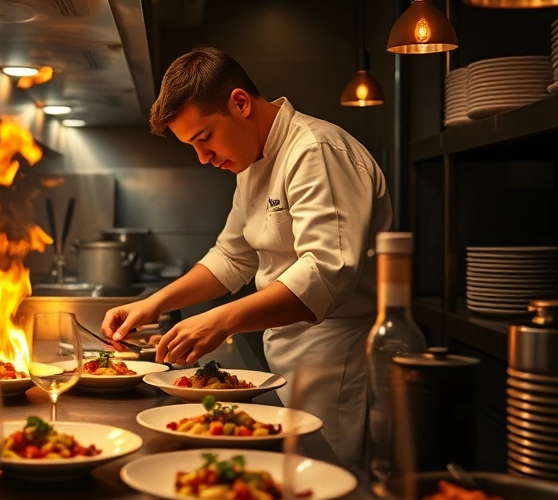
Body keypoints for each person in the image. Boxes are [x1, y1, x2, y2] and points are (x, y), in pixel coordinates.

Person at [101, 46, 392, 463]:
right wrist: (153, 304)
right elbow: (232, 257)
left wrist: (221, 320)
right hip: (287, 354)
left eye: (204, 138)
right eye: (192, 146)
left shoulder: (315, 150)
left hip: (337, 360)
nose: (203, 158)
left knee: (328, 488)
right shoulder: (251, 159)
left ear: (239, 103)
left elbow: (326, 273)